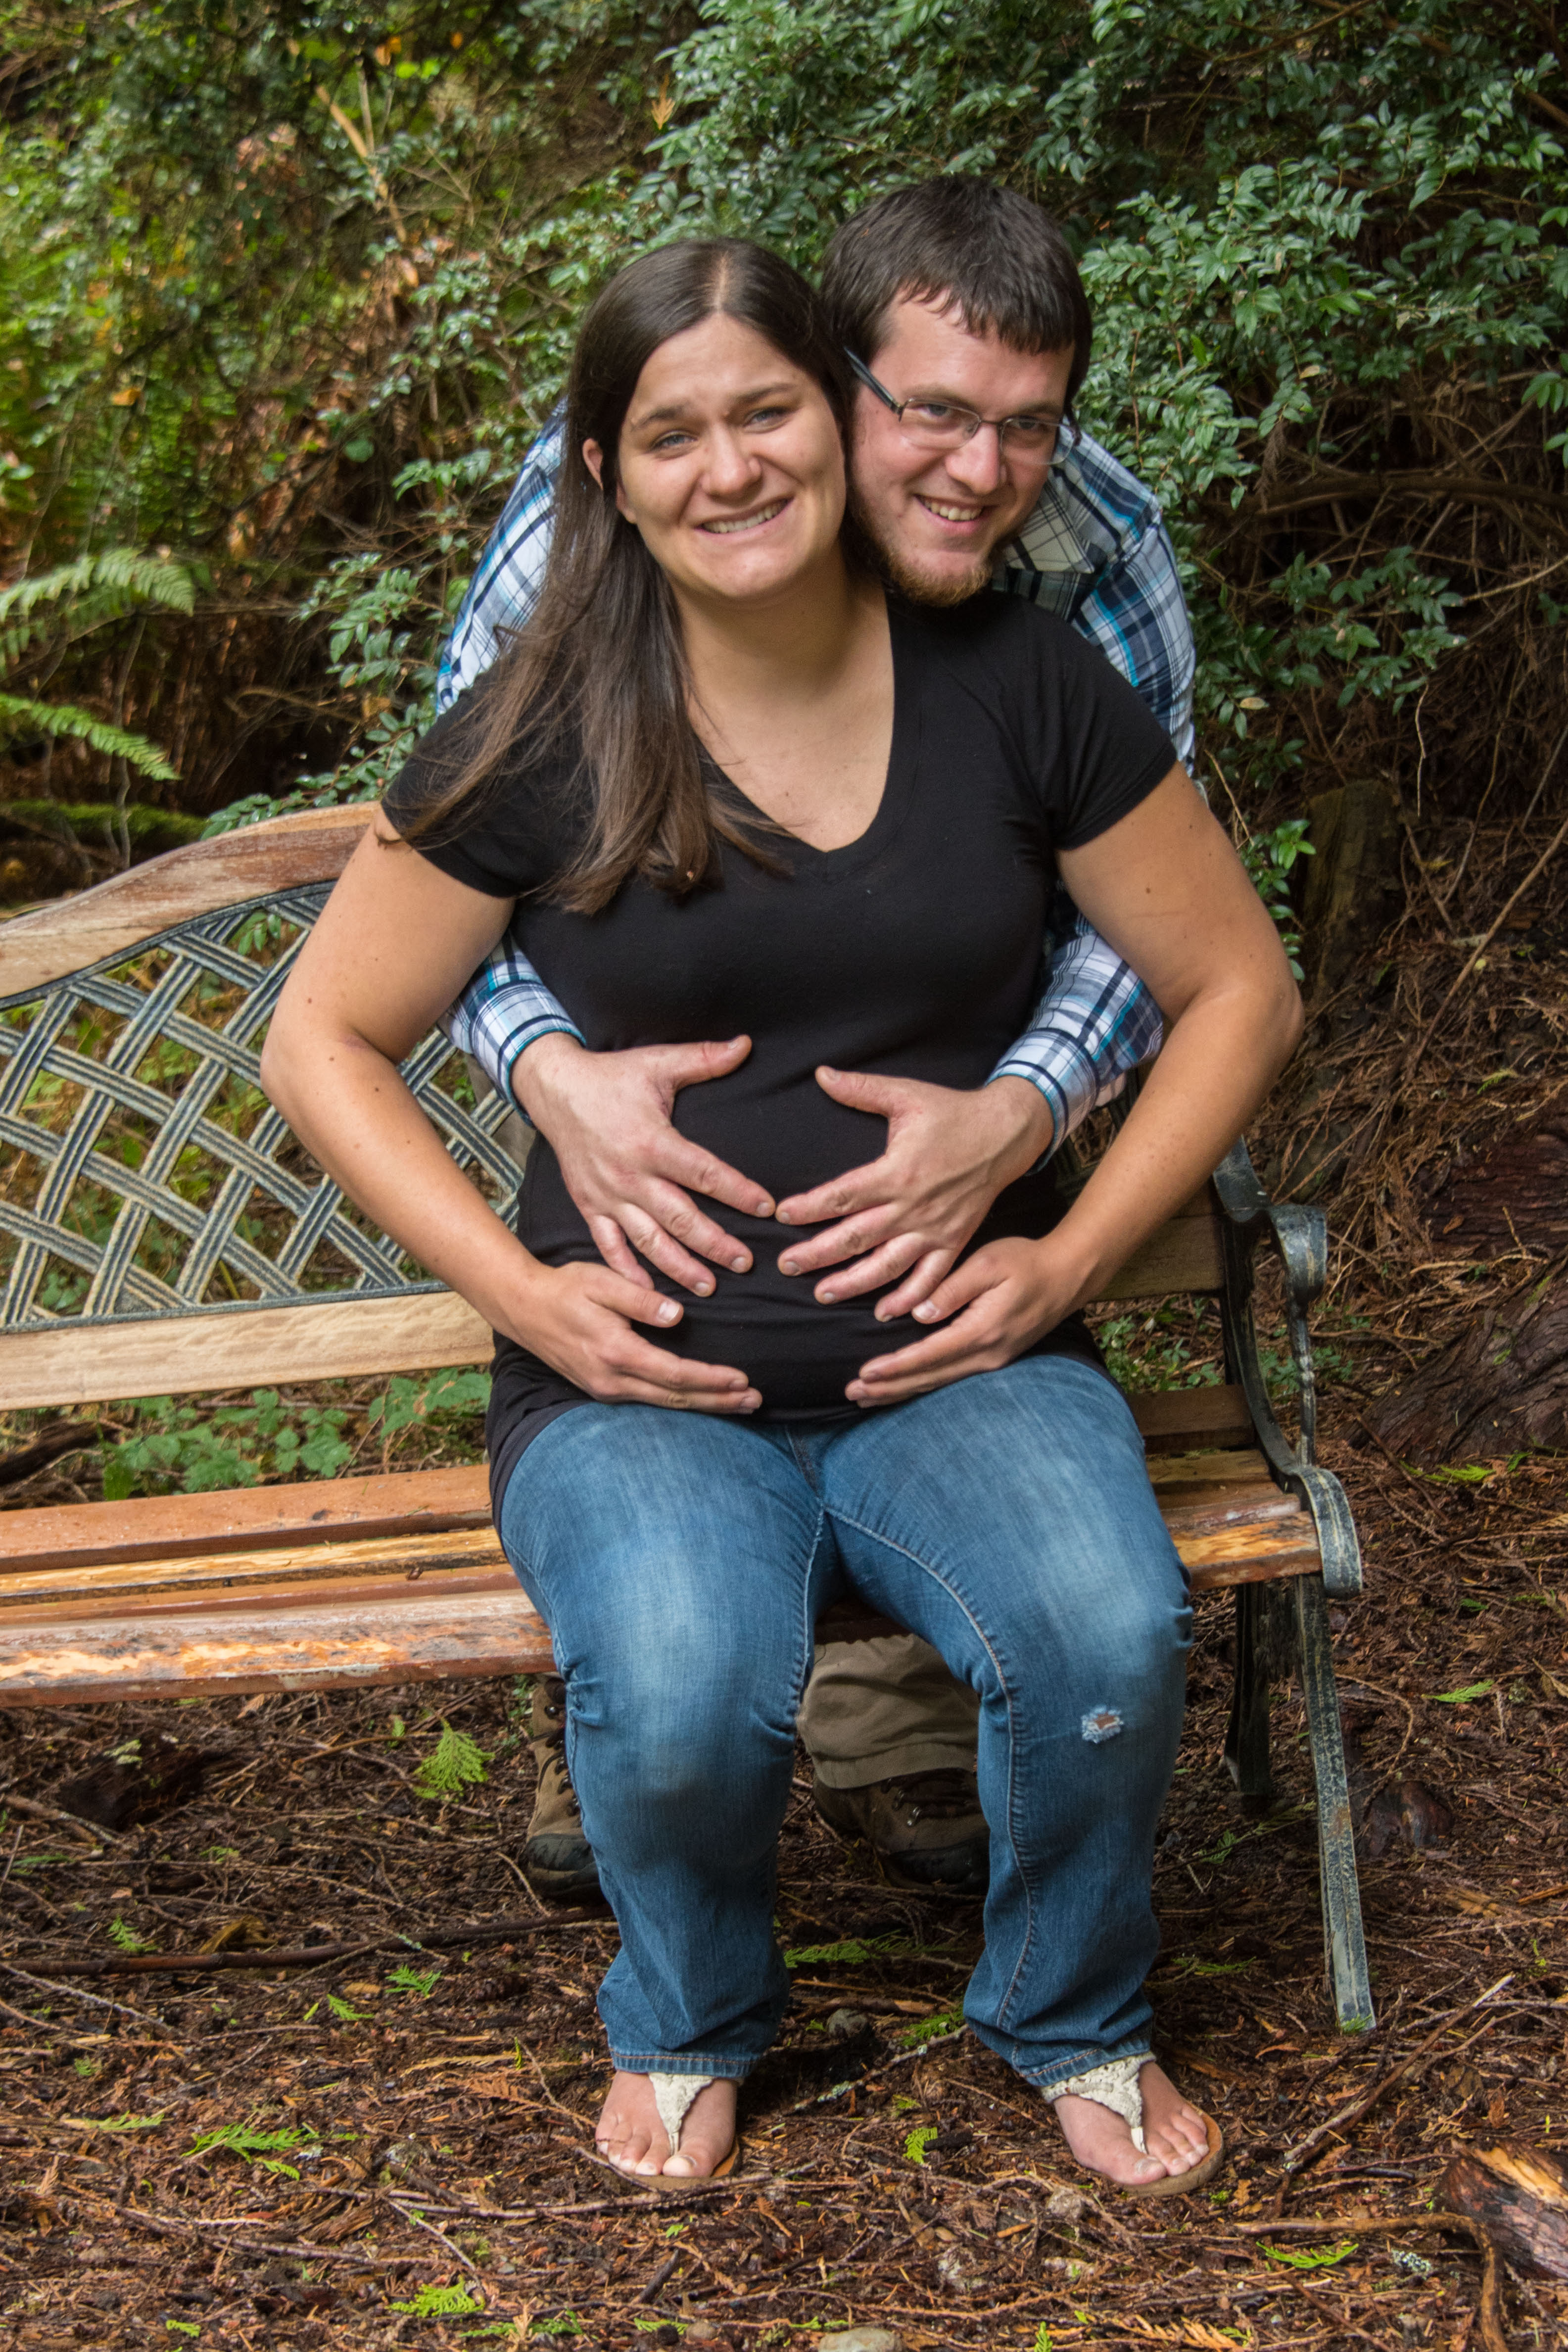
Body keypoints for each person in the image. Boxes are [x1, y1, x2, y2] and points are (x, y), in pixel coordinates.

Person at [262, 235, 1300, 2192]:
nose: (730, 467)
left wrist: (1068, 1254)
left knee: (1104, 1633)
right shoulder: (551, 720)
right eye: (674, 435)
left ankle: (1071, 2007)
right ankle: (687, 2010)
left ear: (833, 415)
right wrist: (524, 1296)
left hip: (962, 1363)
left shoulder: (1022, 679)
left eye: (767, 413)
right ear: (604, 475)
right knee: (672, 1694)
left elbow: (1238, 983)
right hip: (639, 1385)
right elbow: (322, 1035)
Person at [438, 179, 1198, 1903]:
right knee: (676, 1670)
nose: (977, 472)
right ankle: (652, 1700)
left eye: (1025, 425)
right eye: (928, 413)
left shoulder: (1093, 558)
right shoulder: (612, 508)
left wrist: (1025, 1108)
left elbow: (1160, 920)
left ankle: (880, 1709)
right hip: (667, 1198)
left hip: (944, 1166)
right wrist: (556, 1075)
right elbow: (457, 864)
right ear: (826, 377)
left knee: (1047, 1570)